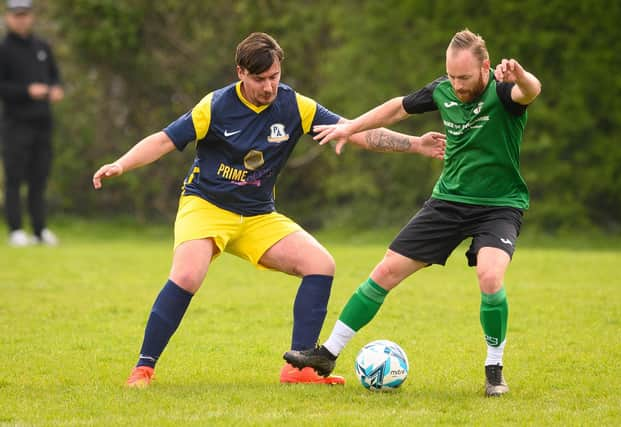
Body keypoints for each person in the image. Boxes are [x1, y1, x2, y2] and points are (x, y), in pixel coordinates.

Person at [92, 32, 446, 388]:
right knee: (187, 276)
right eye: (260, 79)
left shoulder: (295, 106)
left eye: (274, 76)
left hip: (258, 215)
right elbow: (164, 139)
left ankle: (298, 368)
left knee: (321, 264)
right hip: (206, 206)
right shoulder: (215, 106)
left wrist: (415, 144)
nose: (269, 86)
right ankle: (143, 368)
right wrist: (121, 165)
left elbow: (352, 131)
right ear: (240, 72)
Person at [284, 29, 541, 397]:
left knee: (489, 276)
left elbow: (530, 91)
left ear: (485, 67)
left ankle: (494, 368)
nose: (456, 84)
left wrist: (522, 75)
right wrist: (350, 127)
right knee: (385, 270)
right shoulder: (443, 90)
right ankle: (327, 354)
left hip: (498, 206)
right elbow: (397, 107)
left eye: (464, 77)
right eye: (451, 76)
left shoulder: (503, 92)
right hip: (448, 202)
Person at [0, 0, 64, 246]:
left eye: (25, 14)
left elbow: (54, 75)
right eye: (17, 15)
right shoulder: (4, 49)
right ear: (8, 17)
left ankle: (39, 229)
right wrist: (27, 91)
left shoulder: (42, 47)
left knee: (39, 178)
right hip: (15, 124)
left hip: (42, 123)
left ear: (32, 16)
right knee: (15, 178)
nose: (22, 19)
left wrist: (56, 89)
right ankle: (16, 229)